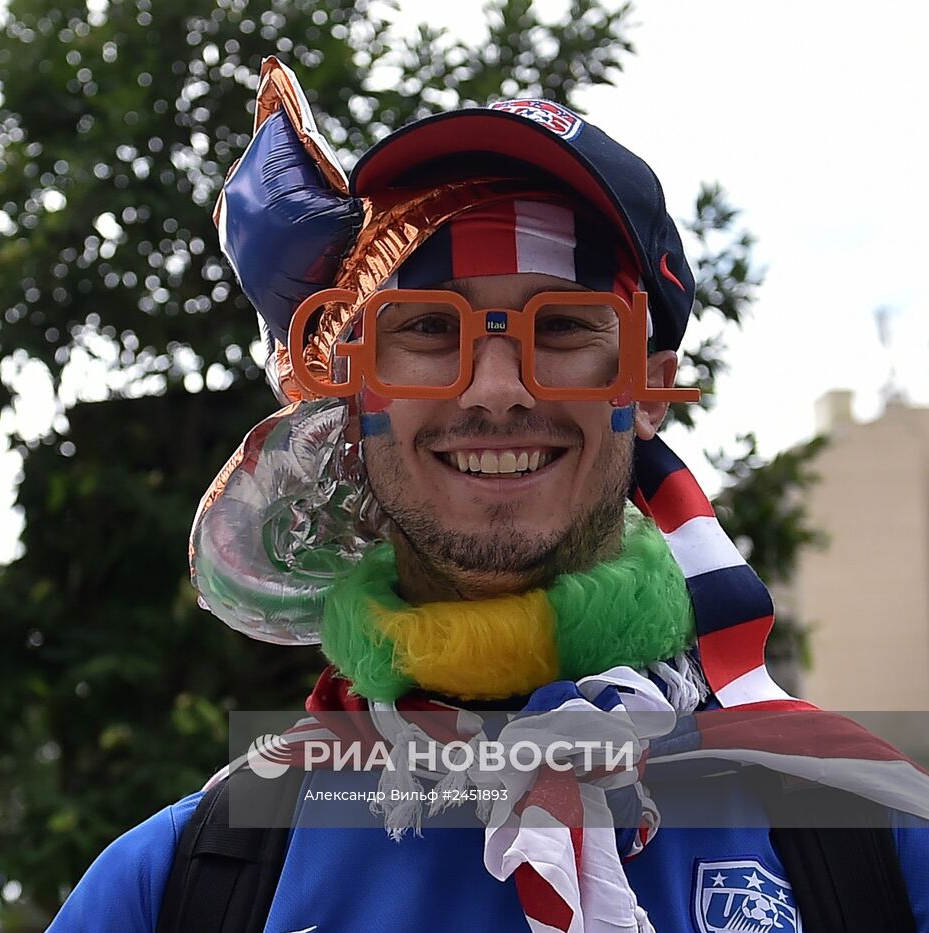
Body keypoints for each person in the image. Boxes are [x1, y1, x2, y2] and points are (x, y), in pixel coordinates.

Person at [49, 58, 929, 933]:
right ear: (352, 393)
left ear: (650, 389)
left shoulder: (868, 842)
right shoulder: (182, 885)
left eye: (567, 325)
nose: (496, 389)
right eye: (429, 327)